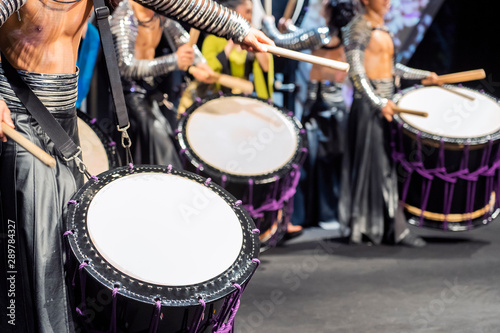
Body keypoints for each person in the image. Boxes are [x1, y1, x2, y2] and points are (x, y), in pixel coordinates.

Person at [0, 0, 274, 331]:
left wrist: (239, 29)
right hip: (19, 120)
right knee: (35, 238)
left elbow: (178, 3)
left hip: (64, 123)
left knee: (68, 240)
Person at [338, 0, 439, 247]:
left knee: (386, 168)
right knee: (372, 167)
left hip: (386, 105)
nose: (387, 1)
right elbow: (356, 71)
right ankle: (368, 228)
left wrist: (423, 76)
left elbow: (392, 68)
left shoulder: (382, 27)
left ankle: (386, 227)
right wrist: (377, 102)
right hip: (369, 107)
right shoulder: (358, 26)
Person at [263, 0, 355, 229]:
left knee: (311, 162)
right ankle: (329, 214)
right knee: (331, 162)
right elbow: (301, 37)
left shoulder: (321, 33)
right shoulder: (347, 34)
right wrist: (291, 27)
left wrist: (269, 25)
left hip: (319, 106)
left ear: (330, 10)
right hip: (338, 105)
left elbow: (282, 43)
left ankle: (314, 215)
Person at [110, 0, 217, 166]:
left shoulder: (159, 12)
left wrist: (200, 65)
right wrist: (174, 61)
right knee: (163, 155)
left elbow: (182, 39)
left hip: (151, 94)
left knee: (168, 146)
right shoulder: (126, 10)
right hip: (128, 97)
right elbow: (126, 66)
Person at [201, 0, 274, 100]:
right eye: (247, 11)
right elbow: (207, 73)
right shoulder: (212, 40)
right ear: (231, 12)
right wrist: (231, 41)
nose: (250, 17)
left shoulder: (254, 38)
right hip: (221, 103)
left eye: (252, 13)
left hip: (254, 103)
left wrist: (256, 43)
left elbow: (266, 67)